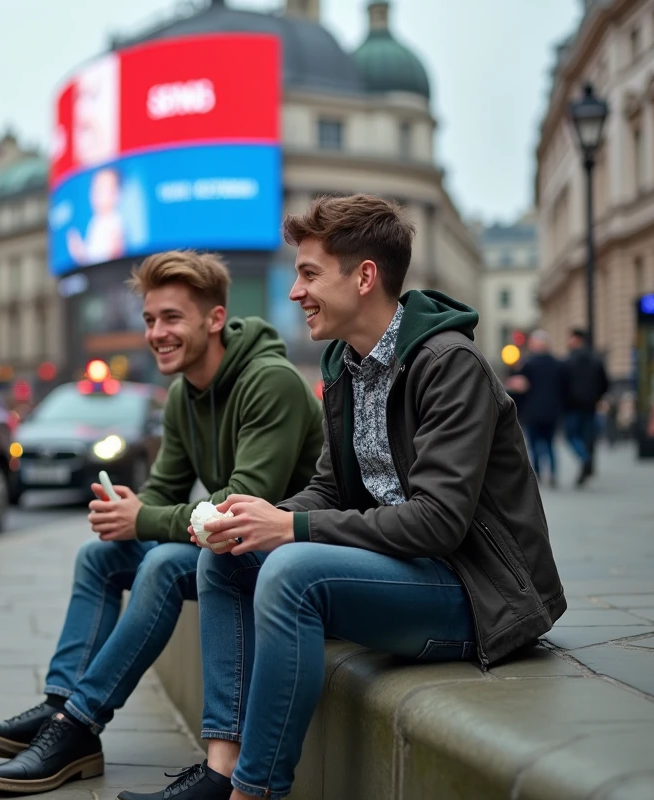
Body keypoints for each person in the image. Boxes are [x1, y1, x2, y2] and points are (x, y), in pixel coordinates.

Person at [118, 194, 565, 800]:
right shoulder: (347, 365)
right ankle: (219, 770)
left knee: (292, 572)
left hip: (478, 592)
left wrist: (292, 532)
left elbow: (439, 523)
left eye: (308, 274)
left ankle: (255, 792)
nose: (296, 292)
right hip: (403, 571)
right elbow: (330, 487)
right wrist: (263, 517)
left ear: (363, 277)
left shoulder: (449, 364)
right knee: (225, 552)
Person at [0, 249, 324, 795]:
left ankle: (80, 725)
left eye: (171, 318)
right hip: (225, 546)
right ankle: (60, 708)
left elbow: (241, 503)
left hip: (279, 550)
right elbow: (167, 493)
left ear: (214, 319)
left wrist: (145, 516)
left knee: (168, 562)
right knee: (101, 556)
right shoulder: (181, 396)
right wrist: (134, 507)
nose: (156, 333)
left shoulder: (270, 382)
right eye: (150, 320)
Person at [510, 330, 566, 488]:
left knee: (534, 445)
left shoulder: (528, 365)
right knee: (550, 444)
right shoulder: (557, 364)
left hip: (532, 411)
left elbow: (519, 388)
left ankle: (538, 475)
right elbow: (564, 388)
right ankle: (553, 474)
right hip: (552, 411)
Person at [562, 328, 609, 487]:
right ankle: (586, 462)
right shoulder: (595, 359)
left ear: (577, 339)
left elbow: (563, 384)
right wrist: (597, 398)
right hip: (590, 405)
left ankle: (584, 457)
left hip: (572, 406)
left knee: (571, 435)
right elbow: (604, 382)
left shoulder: (569, 360)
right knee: (587, 436)